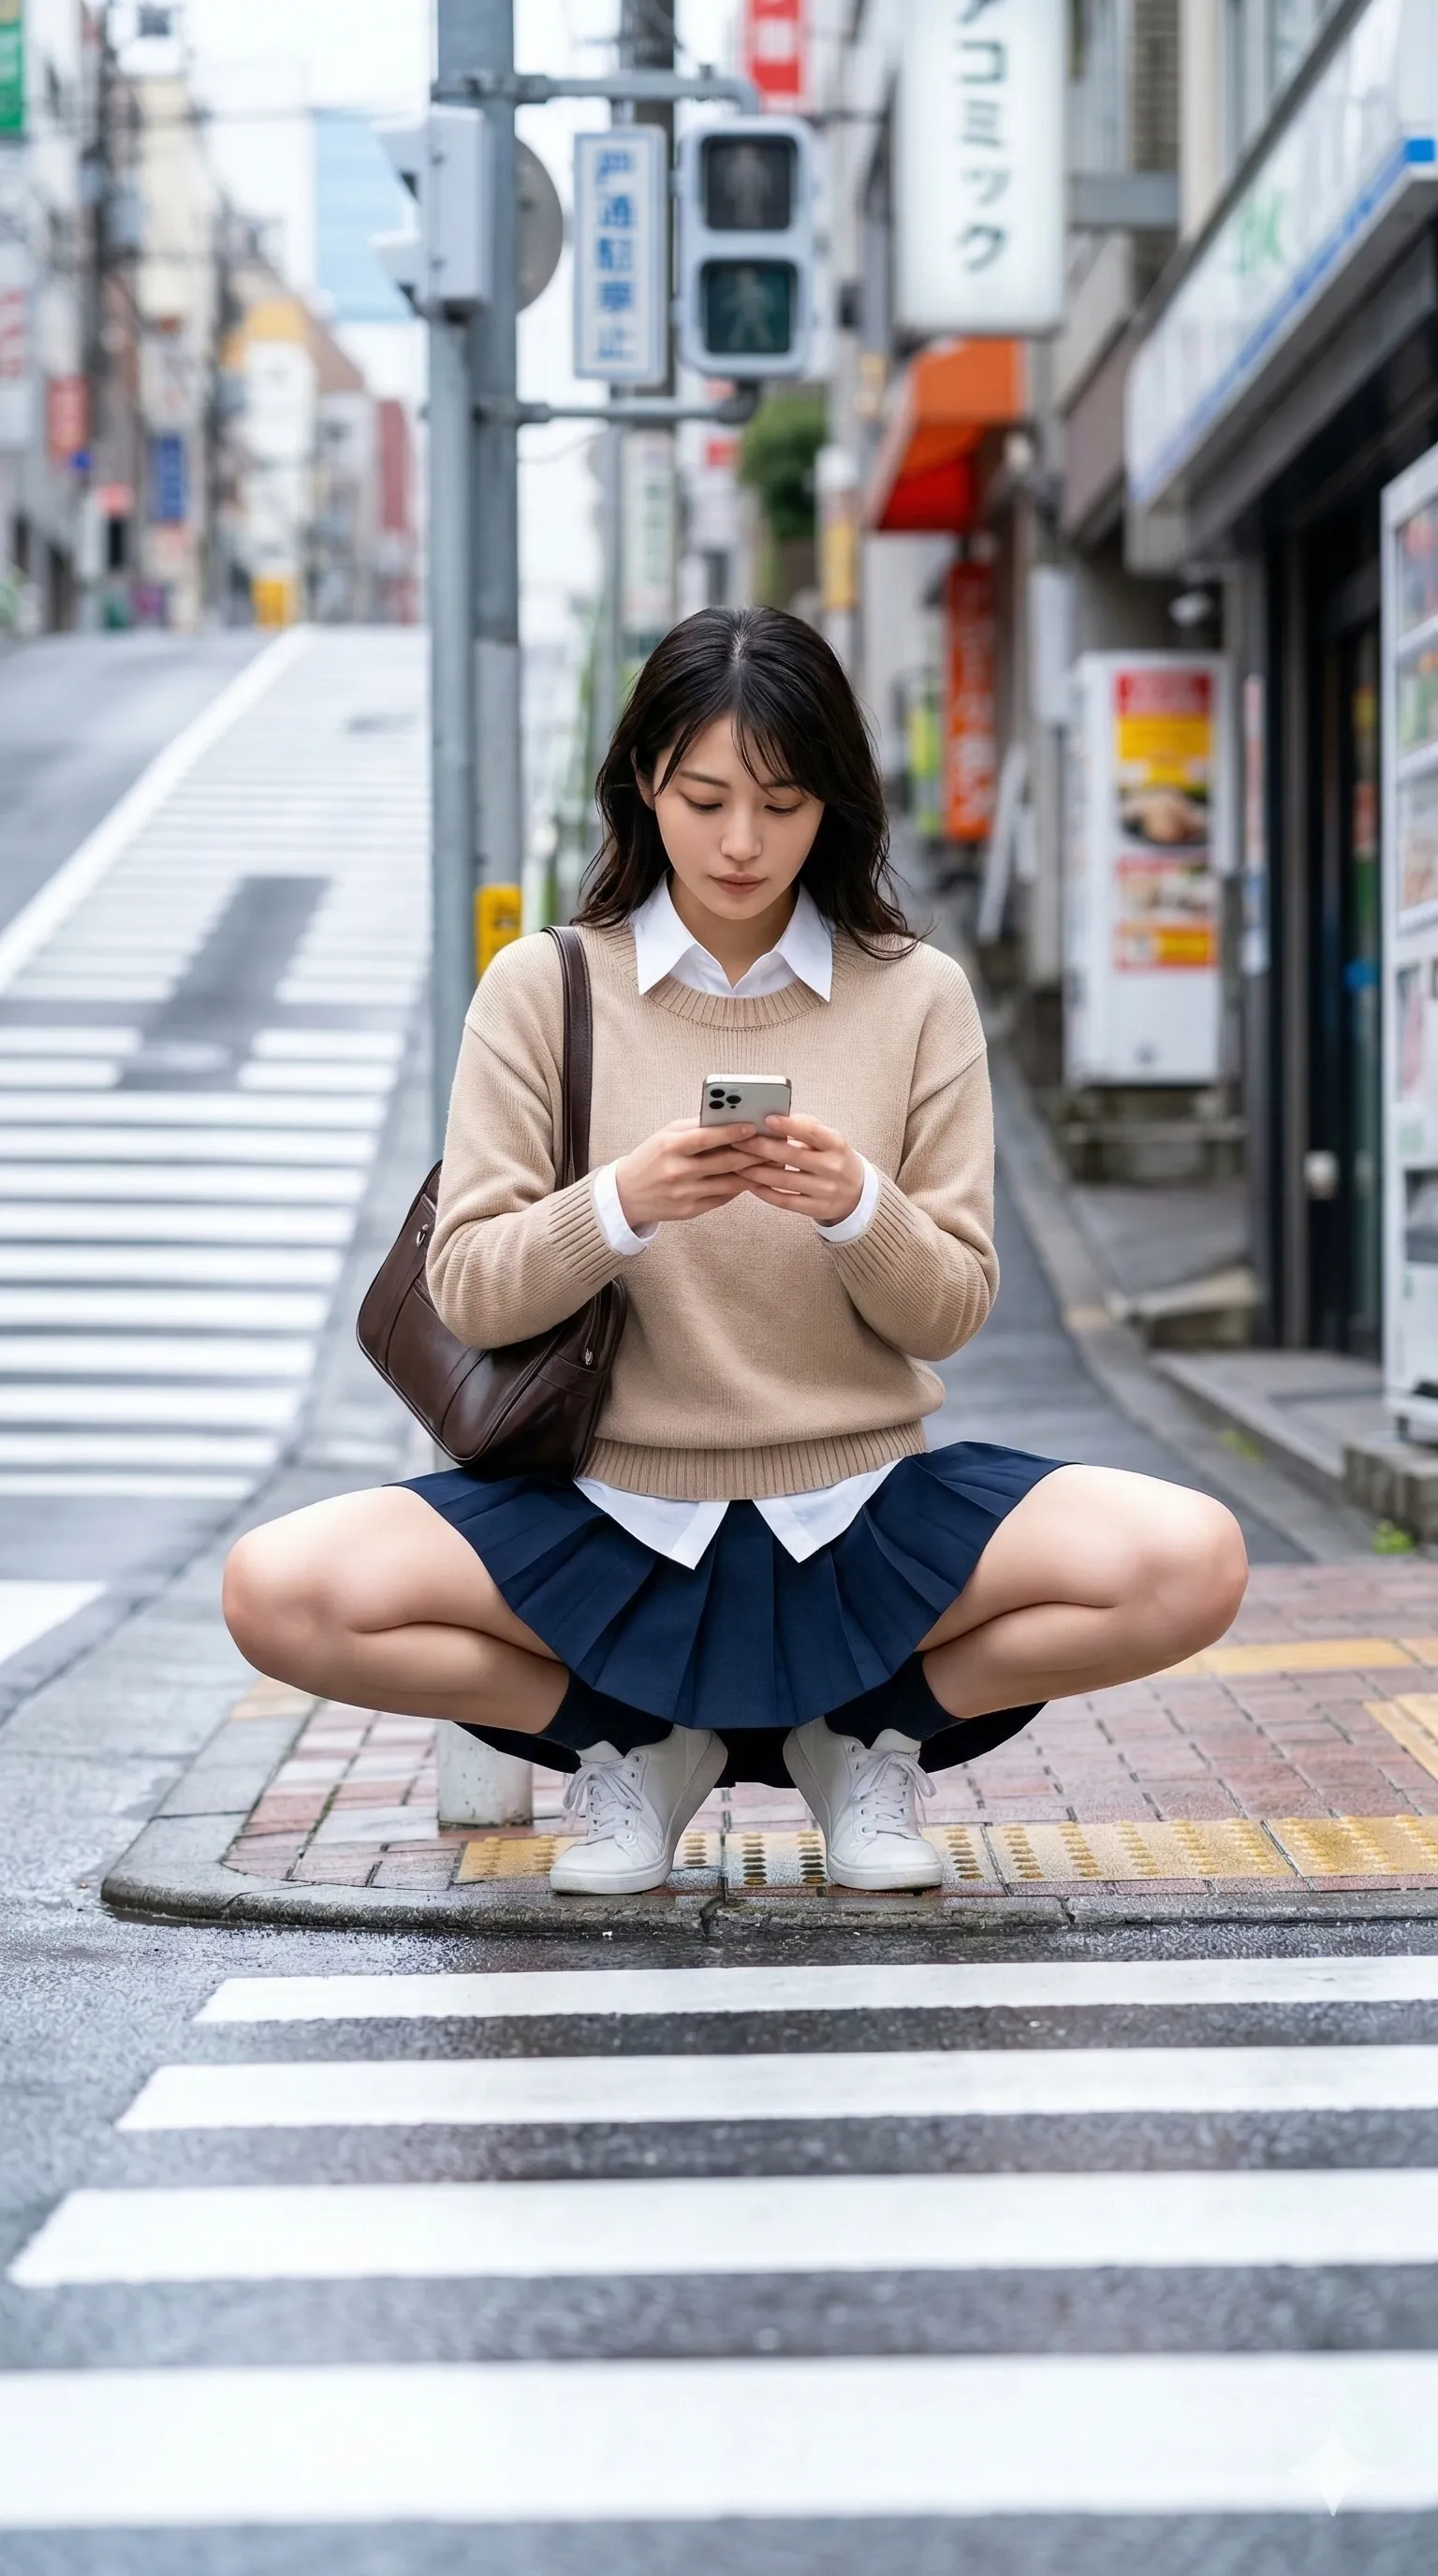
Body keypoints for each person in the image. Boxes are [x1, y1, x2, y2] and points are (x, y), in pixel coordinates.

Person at [223, 607, 1247, 1896]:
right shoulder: (543, 989)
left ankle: (870, 1737)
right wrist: (625, 1202)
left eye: (783, 799)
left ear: (836, 804)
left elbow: (953, 1308)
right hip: (599, 1502)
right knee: (276, 1590)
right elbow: (471, 1283)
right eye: (703, 797)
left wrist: (855, 1205)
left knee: (1193, 1559)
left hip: (861, 1497)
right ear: (643, 782)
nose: (742, 842)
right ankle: (627, 1745)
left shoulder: (915, 994)